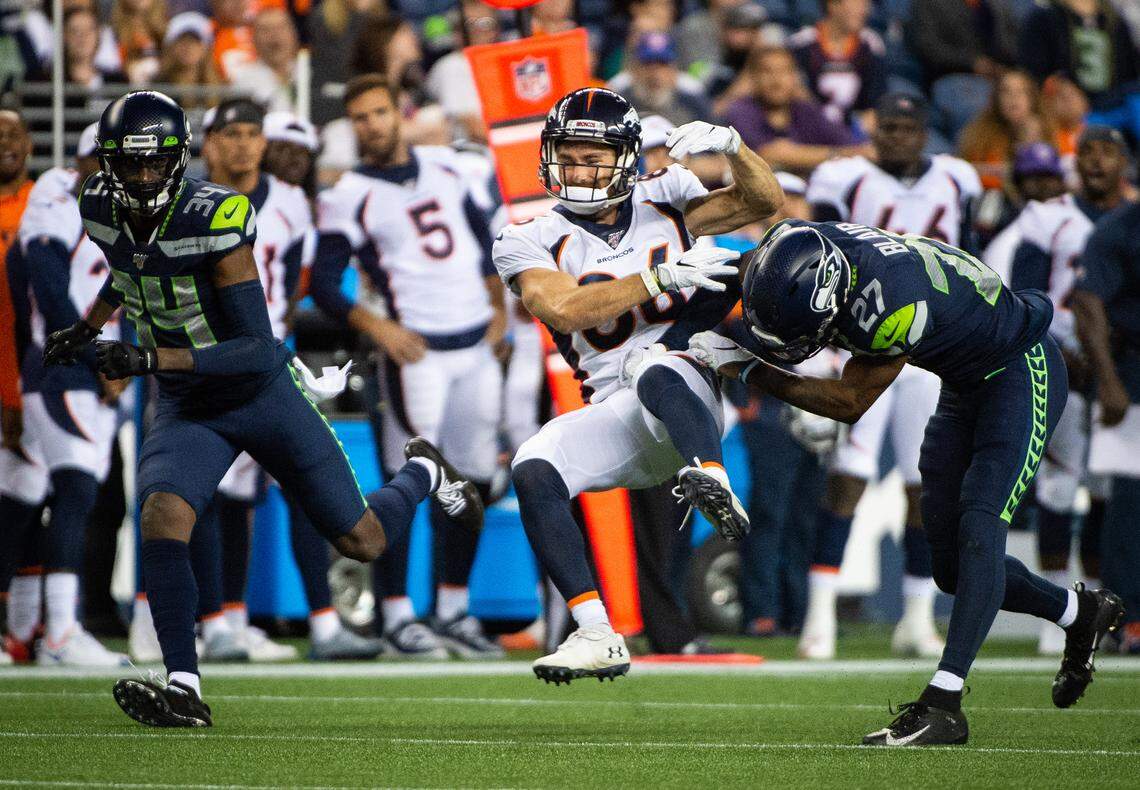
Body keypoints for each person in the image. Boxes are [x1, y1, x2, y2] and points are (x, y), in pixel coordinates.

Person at [44, 90, 480, 726]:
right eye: (128, 164)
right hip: (191, 403)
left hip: (259, 394)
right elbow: (129, 268)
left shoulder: (213, 217)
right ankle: (184, 686)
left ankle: (424, 474)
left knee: (362, 539)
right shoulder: (100, 205)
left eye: (152, 163)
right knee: (163, 515)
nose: (140, 178)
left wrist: (147, 361)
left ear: (178, 158)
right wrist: (90, 327)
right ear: (107, 163)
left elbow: (254, 348)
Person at [689, 220, 1125, 745]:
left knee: (980, 527)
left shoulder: (891, 307)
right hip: (962, 385)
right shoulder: (799, 245)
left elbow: (851, 402)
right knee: (950, 570)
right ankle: (1080, 612)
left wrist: (748, 368)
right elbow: (755, 268)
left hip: (1019, 368)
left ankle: (944, 702)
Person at [494, 87, 782, 683]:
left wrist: (734, 145)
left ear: (625, 157)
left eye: (593, 156)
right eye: (569, 155)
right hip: (617, 414)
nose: (579, 169)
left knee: (654, 359)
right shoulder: (527, 236)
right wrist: (658, 276)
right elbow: (567, 308)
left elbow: (762, 199)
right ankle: (596, 630)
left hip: (685, 390)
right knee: (534, 466)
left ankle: (713, 477)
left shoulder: (668, 198)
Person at [311, 74, 505, 659]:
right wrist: (380, 327)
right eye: (360, 118)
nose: (371, 125)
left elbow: (486, 237)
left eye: (379, 113)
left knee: (473, 481)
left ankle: (451, 610)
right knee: (412, 480)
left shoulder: (448, 166)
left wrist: (498, 309)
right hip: (414, 350)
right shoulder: (349, 192)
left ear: (399, 113)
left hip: (475, 344)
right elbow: (322, 283)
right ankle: (396, 615)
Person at [799, 93, 982, 659]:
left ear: (926, 131)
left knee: (923, 484)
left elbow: (966, 253)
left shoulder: (957, 178)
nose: (897, 136)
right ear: (875, 129)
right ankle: (820, 616)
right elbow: (821, 262)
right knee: (849, 474)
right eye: (889, 126)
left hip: (930, 350)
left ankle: (917, 617)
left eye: (908, 127)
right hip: (864, 342)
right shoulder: (844, 178)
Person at [3, 118, 130, 668]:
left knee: (21, 498)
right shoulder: (56, 206)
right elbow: (49, 290)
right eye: (102, 164)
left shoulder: (119, 214)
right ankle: (60, 631)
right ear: (81, 166)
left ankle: (21, 630)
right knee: (76, 491)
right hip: (65, 369)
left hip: (81, 370)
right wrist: (95, 358)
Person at [1008, 126, 1132, 654]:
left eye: (1107, 152)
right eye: (1087, 152)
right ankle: (1055, 611)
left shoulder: (1130, 219)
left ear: (1126, 161)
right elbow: (1026, 296)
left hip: (1122, 366)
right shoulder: (1047, 217)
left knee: (1111, 492)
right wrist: (1071, 351)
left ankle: (1106, 607)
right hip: (1062, 362)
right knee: (1058, 489)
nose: (1096, 161)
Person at [1071, 185, 1140, 655]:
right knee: (1130, 500)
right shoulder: (1118, 230)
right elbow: (1088, 303)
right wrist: (1110, 381)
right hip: (1134, 371)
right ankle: (1127, 619)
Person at [0, 110, 36, 666]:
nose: (4, 144)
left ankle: (26, 628)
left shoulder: (45, 204)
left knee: (31, 494)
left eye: (12, 133)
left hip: (30, 372)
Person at [724, 45, 870, 178]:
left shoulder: (804, 110)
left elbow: (850, 144)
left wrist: (853, 153)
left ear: (795, 77)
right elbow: (773, 153)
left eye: (784, 72)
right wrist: (836, 155)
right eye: (767, 72)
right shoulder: (741, 111)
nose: (776, 80)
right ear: (753, 78)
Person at [787, 0, 887, 131]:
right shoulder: (802, 44)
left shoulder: (871, 45)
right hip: (807, 127)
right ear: (833, 5)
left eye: (866, 4)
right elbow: (795, 93)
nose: (864, 11)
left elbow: (875, 104)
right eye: (857, 4)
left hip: (853, 130)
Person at [1019, 0, 1139, 109]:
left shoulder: (1115, 21)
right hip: (1062, 109)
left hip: (1115, 107)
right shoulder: (1043, 19)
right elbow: (1033, 73)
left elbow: (1129, 72)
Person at [958, 70, 1055, 192]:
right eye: (1006, 91)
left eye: (1021, 91)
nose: (1013, 98)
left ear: (1032, 98)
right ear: (996, 99)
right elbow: (964, 171)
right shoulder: (979, 136)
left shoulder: (1047, 131)